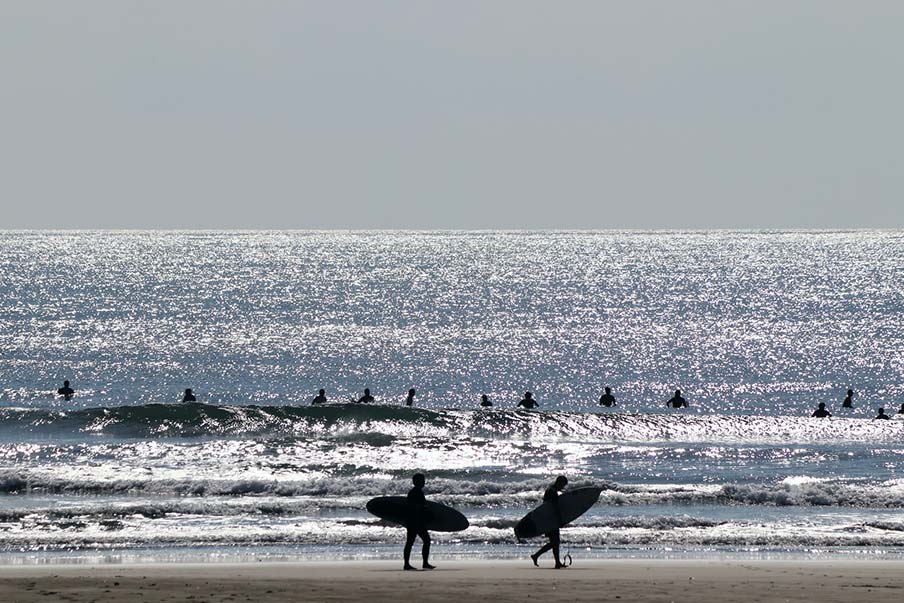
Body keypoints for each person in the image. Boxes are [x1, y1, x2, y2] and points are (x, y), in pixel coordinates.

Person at [530, 476, 568, 569]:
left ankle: (556, 562)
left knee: (555, 542)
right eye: (563, 485)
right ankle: (536, 555)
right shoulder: (552, 492)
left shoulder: (550, 490)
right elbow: (555, 508)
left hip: (548, 519)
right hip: (551, 520)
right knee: (555, 542)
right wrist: (561, 520)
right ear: (559, 482)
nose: (563, 487)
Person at [403, 473, 434, 571]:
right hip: (415, 521)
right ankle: (408, 564)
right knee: (413, 542)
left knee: (422, 541)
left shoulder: (415, 492)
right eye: (423, 480)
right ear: (418, 482)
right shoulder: (416, 492)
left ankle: (423, 563)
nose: (424, 482)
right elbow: (415, 507)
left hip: (415, 521)